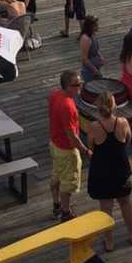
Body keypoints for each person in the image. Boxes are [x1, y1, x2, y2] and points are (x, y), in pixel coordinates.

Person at [87, 91, 132, 251]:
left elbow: (91, 147)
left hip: (102, 172)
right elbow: (128, 140)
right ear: (114, 106)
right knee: (125, 202)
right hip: (121, 170)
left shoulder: (94, 127)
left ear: (98, 107)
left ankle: (109, 241)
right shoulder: (123, 122)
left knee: (106, 207)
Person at [48, 70, 91, 221]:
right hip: (66, 149)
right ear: (66, 86)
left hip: (54, 143)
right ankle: (66, 212)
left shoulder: (54, 95)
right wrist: (85, 151)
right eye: (76, 85)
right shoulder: (68, 106)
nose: (80, 87)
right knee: (68, 182)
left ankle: (56, 205)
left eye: (81, 83)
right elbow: (72, 137)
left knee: (57, 174)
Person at [79, 15, 104, 83]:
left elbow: (95, 49)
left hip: (96, 68)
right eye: (95, 25)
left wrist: (100, 57)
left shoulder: (93, 35)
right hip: (89, 72)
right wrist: (95, 71)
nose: (98, 26)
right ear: (90, 26)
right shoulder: (85, 39)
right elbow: (84, 59)